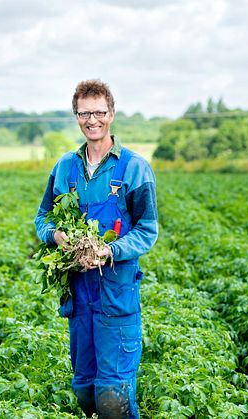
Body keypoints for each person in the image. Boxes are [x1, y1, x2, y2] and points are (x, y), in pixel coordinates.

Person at [34, 79, 158, 418]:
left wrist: (110, 251)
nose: (93, 120)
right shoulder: (64, 168)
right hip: (79, 295)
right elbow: (43, 217)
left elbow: (147, 229)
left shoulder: (134, 167)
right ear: (76, 116)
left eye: (99, 112)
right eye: (85, 113)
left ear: (112, 113)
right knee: (85, 389)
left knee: (112, 396)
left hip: (116, 294)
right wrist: (55, 236)